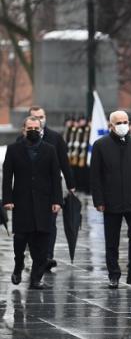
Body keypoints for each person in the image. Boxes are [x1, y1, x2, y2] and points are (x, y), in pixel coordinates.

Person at [3, 116, 63, 289]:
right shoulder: (13, 149)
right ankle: (18, 264)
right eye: (30, 128)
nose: (33, 131)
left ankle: (36, 278)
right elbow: (7, 177)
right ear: (24, 130)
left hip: (44, 202)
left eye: (36, 128)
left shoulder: (50, 150)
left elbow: (55, 177)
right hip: (21, 202)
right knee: (20, 239)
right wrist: (7, 200)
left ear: (41, 130)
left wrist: (57, 200)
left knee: (42, 242)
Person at [90, 111, 131, 289]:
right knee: (111, 240)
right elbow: (95, 175)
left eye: (125, 122)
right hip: (111, 200)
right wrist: (98, 200)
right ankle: (114, 274)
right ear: (111, 125)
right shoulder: (101, 145)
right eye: (119, 122)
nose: (123, 125)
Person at [28, 106, 76, 272]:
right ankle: (36, 255)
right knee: (32, 224)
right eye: (35, 117)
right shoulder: (24, 139)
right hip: (30, 190)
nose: (39, 120)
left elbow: (64, 162)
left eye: (41, 116)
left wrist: (71, 185)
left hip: (51, 189)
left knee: (50, 223)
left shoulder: (55, 137)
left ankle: (47, 256)